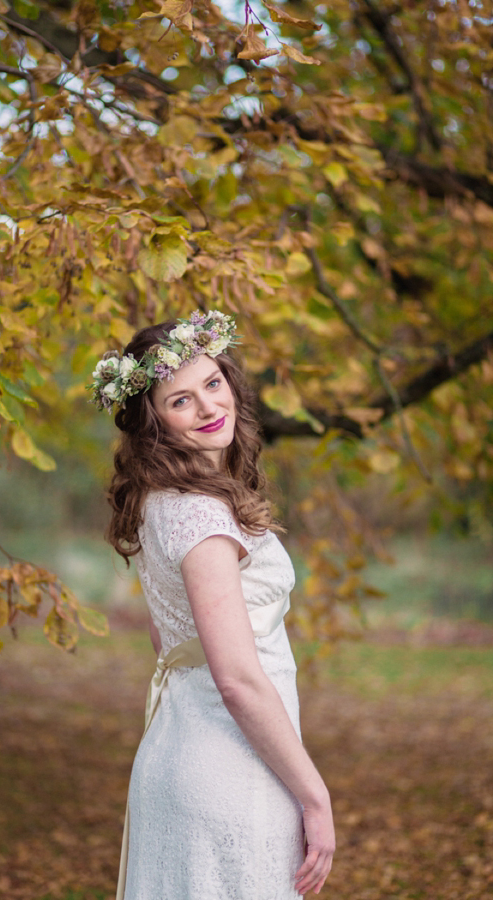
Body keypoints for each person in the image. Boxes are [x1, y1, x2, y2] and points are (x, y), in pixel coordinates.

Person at [88, 310, 335, 900]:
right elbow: (238, 681)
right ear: (154, 424)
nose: (206, 408)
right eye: (180, 401)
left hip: (181, 751)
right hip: (231, 771)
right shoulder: (201, 517)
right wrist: (314, 797)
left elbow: (166, 638)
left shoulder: (161, 501)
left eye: (213, 384)